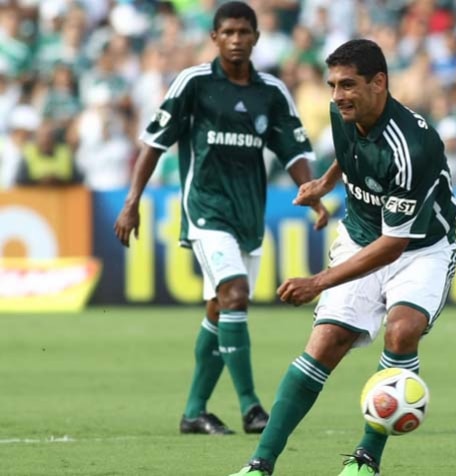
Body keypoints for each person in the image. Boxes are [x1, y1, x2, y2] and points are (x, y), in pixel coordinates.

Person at [229, 38, 456, 476]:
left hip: (421, 247)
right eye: (333, 85)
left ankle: (367, 458)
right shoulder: (343, 113)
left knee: (402, 329)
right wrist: (326, 181)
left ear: (380, 83)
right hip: (360, 234)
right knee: (325, 343)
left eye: (348, 85)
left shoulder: (413, 147)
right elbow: (350, 150)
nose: (337, 96)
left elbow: (393, 245)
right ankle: (260, 464)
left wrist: (318, 281)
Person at [114, 1, 328, 436]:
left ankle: (194, 412)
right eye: (227, 32)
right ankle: (252, 408)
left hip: (248, 216)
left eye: (243, 32)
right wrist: (131, 201)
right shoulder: (193, 83)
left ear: (256, 37)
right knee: (235, 293)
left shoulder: (272, 91)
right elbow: (154, 143)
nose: (235, 40)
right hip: (205, 211)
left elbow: (294, 150)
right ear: (214, 37)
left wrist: (314, 195)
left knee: (219, 308)